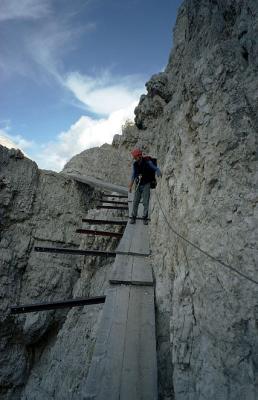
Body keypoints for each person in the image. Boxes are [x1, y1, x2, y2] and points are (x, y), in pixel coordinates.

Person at [128, 148, 162, 225]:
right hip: (138, 185)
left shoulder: (147, 162)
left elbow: (154, 167)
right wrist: (130, 186)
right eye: (134, 157)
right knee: (135, 201)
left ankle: (145, 217)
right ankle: (133, 217)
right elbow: (133, 175)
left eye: (135, 157)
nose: (134, 159)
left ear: (139, 156)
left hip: (146, 184)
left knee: (145, 202)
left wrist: (158, 171)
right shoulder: (135, 165)